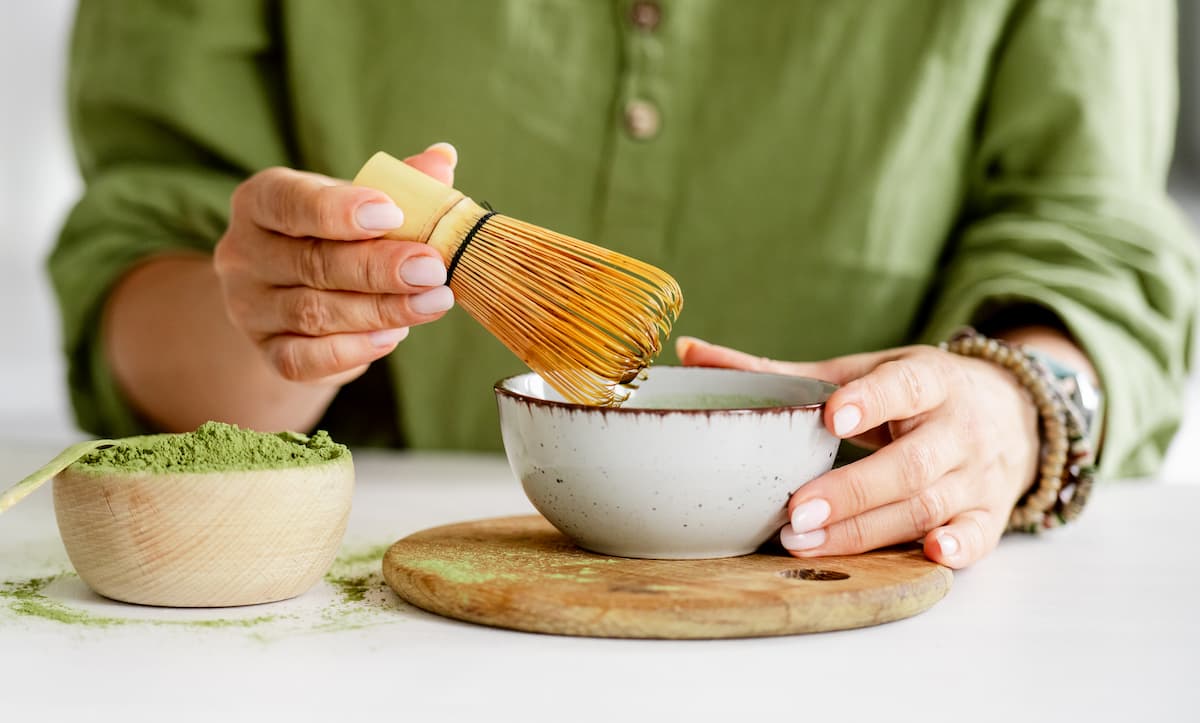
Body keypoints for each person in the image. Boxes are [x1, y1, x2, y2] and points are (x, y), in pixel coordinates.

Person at [50, 1, 1197, 570]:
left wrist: (1016, 407)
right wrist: (280, 317)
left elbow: (1087, 229)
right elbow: (147, 241)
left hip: (905, 630)